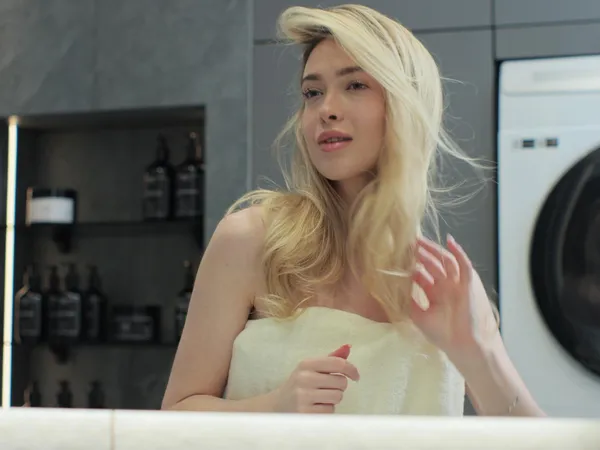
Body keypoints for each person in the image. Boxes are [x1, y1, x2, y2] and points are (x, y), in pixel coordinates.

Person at [161, 4, 546, 417]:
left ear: (405, 104)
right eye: (312, 92)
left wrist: (479, 351)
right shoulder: (251, 241)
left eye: (355, 85)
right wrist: (274, 407)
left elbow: (537, 440)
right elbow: (175, 416)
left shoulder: (441, 287)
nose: (326, 108)